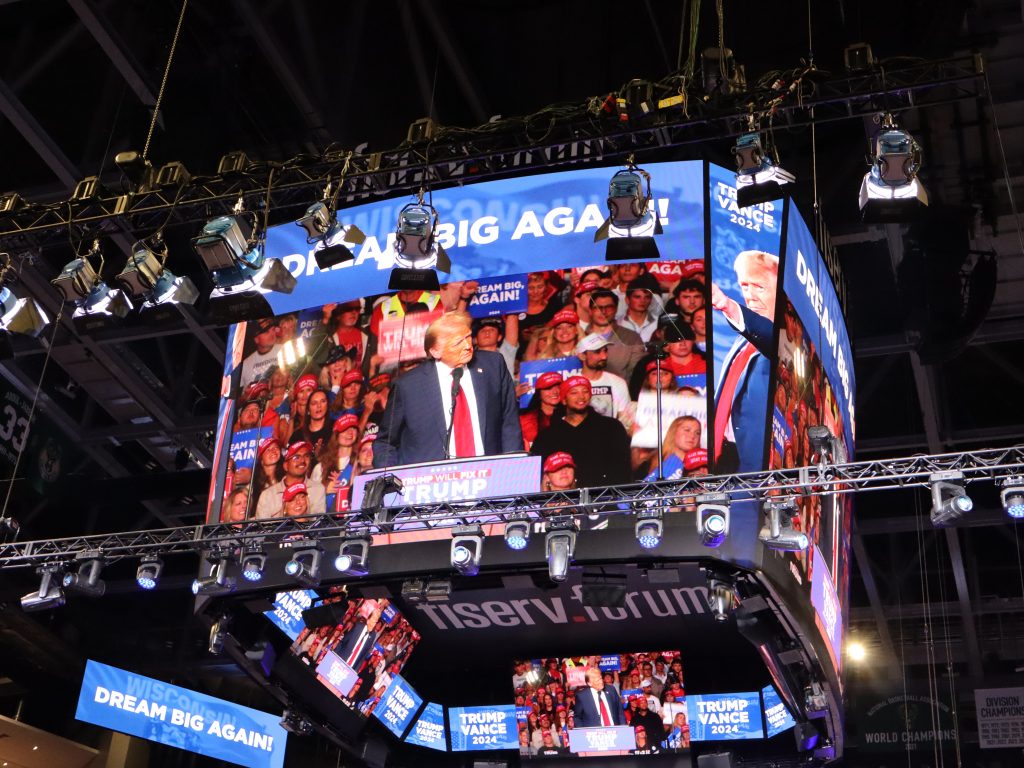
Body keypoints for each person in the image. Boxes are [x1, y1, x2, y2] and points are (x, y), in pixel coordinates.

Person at [374, 311, 523, 467]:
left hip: (488, 476)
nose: (467, 346)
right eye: (458, 343)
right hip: (431, 484)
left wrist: (512, 471)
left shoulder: (493, 365)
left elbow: (509, 423)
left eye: (468, 337)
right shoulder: (408, 386)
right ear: (435, 351)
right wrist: (392, 479)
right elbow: (386, 442)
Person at [711, 250, 778, 472]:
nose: (750, 295)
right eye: (745, 286)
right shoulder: (741, 343)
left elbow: (771, 337)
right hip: (725, 461)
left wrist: (726, 305)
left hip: (759, 468)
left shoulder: (787, 340)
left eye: (759, 286)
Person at [530, 376, 631, 489]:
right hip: (563, 501)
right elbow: (537, 476)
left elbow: (623, 469)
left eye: (585, 391)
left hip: (605, 499)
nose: (581, 396)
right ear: (563, 399)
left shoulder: (612, 427)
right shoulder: (547, 436)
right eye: (574, 392)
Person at [255, 440, 327, 519]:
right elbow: (262, 529)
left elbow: (318, 525)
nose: (302, 460)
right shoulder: (268, 495)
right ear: (286, 466)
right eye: (296, 457)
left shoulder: (318, 489)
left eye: (306, 456)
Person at [584, 289, 645, 380]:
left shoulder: (632, 338)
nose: (603, 312)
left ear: (616, 309)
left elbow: (636, 374)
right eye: (598, 307)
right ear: (590, 310)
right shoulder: (580, 337)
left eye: (609, 307)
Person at [575, 334, 631, 420]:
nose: (604, 356)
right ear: (582, 356)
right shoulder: (571, 383)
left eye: (605, 351)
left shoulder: (618, 383)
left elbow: (625, 419)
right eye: (597, 352)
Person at [312, 414, 360, 512]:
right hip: (328, 521)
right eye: (345, 429)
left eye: (353, 429)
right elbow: (310, 499)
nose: (350, 433)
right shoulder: (321, 467)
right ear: (336, 434)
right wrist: (325, 490)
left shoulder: (359, 463)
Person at [520, 371, 563, 450]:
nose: (555, 392)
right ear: (539, 393)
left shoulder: (572, 416)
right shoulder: (524, 420)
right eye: (548, 388)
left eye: (559, 387)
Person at [240, 317, 281, 386]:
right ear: (256, 339)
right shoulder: (246, 364)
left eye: (273, 330)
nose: (272, 334)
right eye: (266, 332)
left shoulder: (284, 349)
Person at [294, 388, 334, 453]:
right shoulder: (297, 435)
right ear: (308, 410)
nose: (319, 406)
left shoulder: (336, 428)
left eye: (323, 401)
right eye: (314, 403)